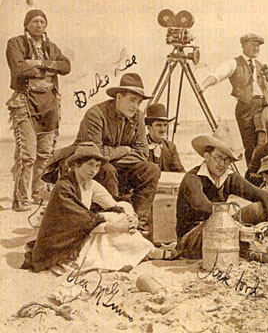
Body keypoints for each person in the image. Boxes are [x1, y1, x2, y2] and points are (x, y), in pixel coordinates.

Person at [22, 142, 169, 274]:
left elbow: (113, 205)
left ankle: (146, 250)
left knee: (123, 209)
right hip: (62, 244)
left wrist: (131, 217)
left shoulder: (90, 183)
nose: (94, 170)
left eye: (97, 166)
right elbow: (79, 222)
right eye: (90, 164)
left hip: (81, 232)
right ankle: (147, 251)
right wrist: (112, 225)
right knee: (108, 237)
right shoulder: (64, 187)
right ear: (76, 165)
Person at [175, 130, 268, 259]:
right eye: (218, 158)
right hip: (192, 241)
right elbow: (206, 208)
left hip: (222, 228)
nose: (222, 164)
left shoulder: (228, 177)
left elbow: (264, 196)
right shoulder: (192, 179)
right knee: (240, 227)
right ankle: (261, 257)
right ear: (206, 156)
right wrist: (240, 226)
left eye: (227, 160)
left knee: (259, 208)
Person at [73, 73, 161, 234]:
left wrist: (111, 157)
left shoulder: (139, 117)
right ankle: (115, 223)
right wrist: (124, 150)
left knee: (151, 169)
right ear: (119, 97)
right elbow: (93, 154)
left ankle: (139, 224)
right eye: (132, 100)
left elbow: (142, 153)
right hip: (91, 170)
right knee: (107, 169)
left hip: (116, 168)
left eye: (139, 102)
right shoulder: (96, 114)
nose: (135, 106)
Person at [6, 9, 71, 211]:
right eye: (35, 21)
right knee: (27, 154)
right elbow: (18, 68)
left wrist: (40, 63)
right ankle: (21, 198)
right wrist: (49, 68)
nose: (39, 24)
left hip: (49, 104)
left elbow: (66, 66)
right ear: (27, 24)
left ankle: (38, 194)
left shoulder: (50, 47)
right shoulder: (15, 43)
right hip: (25, 101)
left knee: (45, 153)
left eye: (43, 21)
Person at [199, 33, 268, 165]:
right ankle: (253, 175)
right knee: (251, 145)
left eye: (258, 46)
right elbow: (218, 74)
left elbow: (267, 88)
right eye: (253, 45)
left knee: (266, 144)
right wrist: (203, 85)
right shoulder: (233, 63)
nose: (256, 48)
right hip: (247, 108)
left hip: (263, 107)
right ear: (243, 45)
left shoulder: (260, 65)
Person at [145, 103, 185, 172]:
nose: (163, 129)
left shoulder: (170, 147)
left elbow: (179, 171)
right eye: (158, 125)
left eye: (165, 125)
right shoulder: (141, 145)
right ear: (149, 127)